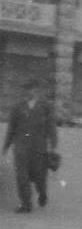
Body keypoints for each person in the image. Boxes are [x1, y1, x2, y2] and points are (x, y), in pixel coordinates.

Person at [2, 79, 58, 214]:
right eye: (27, 89)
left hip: (39, 149)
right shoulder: (17, 107)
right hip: (21, 148)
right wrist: (6, 145)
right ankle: (26, 204)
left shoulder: (46, 107)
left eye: (32, 89)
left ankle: (42, 192)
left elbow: (51, 126)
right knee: (22, 176)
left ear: (38, 91)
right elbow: (11, 128)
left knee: (39, 177)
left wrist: (53, 144)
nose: (29, 92)